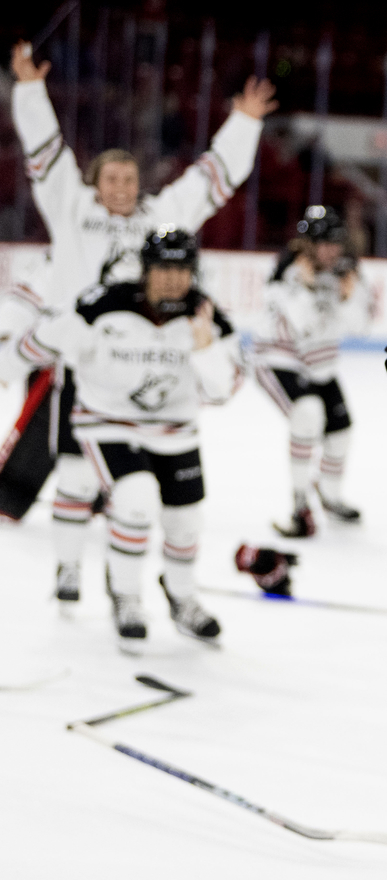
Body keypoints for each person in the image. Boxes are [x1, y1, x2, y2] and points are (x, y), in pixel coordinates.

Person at [0, 40, 272, 607]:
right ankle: (69, 569)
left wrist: (242, 126)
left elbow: (208, 182)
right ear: (94, 182)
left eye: (130, 179)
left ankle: (131, 553)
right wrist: (29, 89)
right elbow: (46, 153)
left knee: (137, 484)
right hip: (83, 360)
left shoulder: (159, 219)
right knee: (74, 476)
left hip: (141, 364)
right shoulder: (72, 211)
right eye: (111, 179)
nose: (122, 188)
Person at [0, 227, 240, 648]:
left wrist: (204, 348)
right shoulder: (103, 305)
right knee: (136, 497)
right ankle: (126, 595)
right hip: (107, 425)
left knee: (184, 522)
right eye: (163, 269)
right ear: (145, 270)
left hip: (174, 433)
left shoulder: (207, 317)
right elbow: (46, 339)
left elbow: (223, 390)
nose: (172, 279)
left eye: (181, 270)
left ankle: (183, 598)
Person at [252, 206, 372, 537]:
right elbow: (301, 323)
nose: (332, 250)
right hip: (278, 360)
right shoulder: (286, 272)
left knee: (341, 433)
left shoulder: (348, 274)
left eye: (336, 243)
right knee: (307, 414)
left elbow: (361, 327)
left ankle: (330, 496)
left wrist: (348, 296)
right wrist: (305, 287)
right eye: (324, 243)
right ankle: (299, 506)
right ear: (307, 244)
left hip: (320, 364)